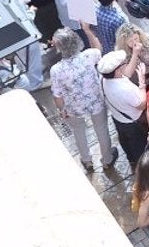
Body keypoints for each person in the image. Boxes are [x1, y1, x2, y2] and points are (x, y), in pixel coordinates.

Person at [47, 29, 115, 176]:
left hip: (73, 107)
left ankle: (86, 160)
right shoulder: (89, 55)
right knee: (102, 129)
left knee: (79, 132)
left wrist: (62, 109)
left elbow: (57, 95)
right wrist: (87, 30)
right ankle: (107, 159)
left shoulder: (56, 70)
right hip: (96, 101)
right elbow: (99, 49)